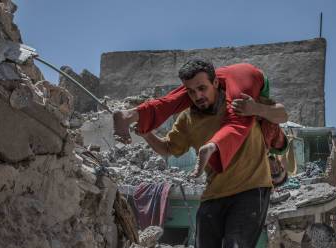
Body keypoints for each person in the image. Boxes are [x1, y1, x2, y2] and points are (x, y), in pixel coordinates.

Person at [134, 60, 288, 248]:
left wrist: (257, 110)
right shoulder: (189, 120)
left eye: (202, 88)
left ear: (216, 83)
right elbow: (169, 149)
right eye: (191, 92)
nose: (197, 96)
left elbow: (281, 114)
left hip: (252, 189)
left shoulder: (240, 102)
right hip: (214, 194)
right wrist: (145, 132)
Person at [112, 62, 289, 177]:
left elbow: (168, 148)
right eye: (276, 169)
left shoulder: (200, 93)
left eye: (201, 89)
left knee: (174, 100)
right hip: (246, 76)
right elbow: (283, 115)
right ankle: (212, 146)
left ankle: (129, 114)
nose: (197, 96)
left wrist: (145, 132)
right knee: (240, 115)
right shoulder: (271, 135)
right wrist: (256, 108)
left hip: (224, 74)